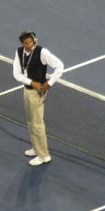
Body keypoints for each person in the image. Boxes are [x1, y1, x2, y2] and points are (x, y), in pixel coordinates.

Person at [12, 31, 64, 166]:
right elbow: (16, 74)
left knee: (37, 124)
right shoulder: (19, 52)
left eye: (30, 42)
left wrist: (49, 84)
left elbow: (60, 66)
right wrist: (31, 83)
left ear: (34, 41)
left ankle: (44, 155)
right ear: (22, 43)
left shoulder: (42, 52)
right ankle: (36, 148)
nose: (28, 45)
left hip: (38, 93)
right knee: (30, 121)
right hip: (27, 90)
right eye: (25, 43)